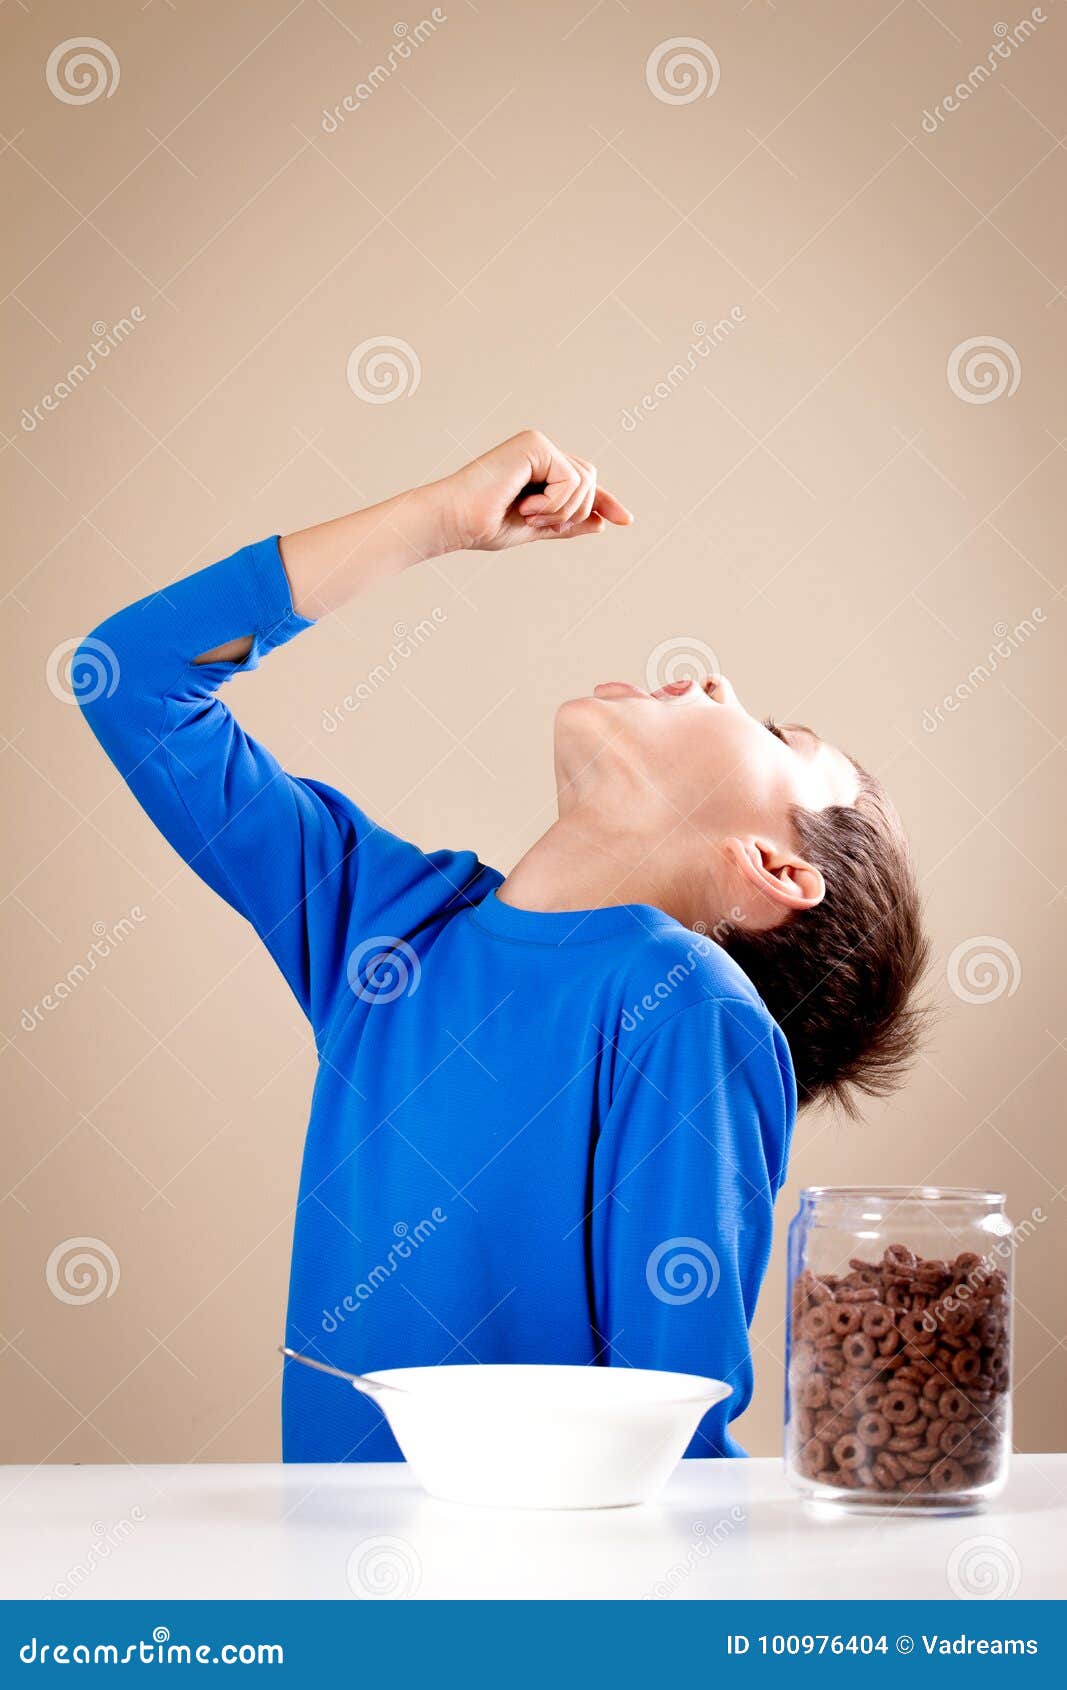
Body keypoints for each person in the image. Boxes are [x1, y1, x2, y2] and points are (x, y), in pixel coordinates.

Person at [75, 430, 928, 1462]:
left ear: (772, 871)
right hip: (326, 1557)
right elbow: (127, 679)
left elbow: (675, 1438)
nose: (714, 682)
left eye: (779, 735)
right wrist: (434, 520)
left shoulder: (684, 1005)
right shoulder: (386, 926)